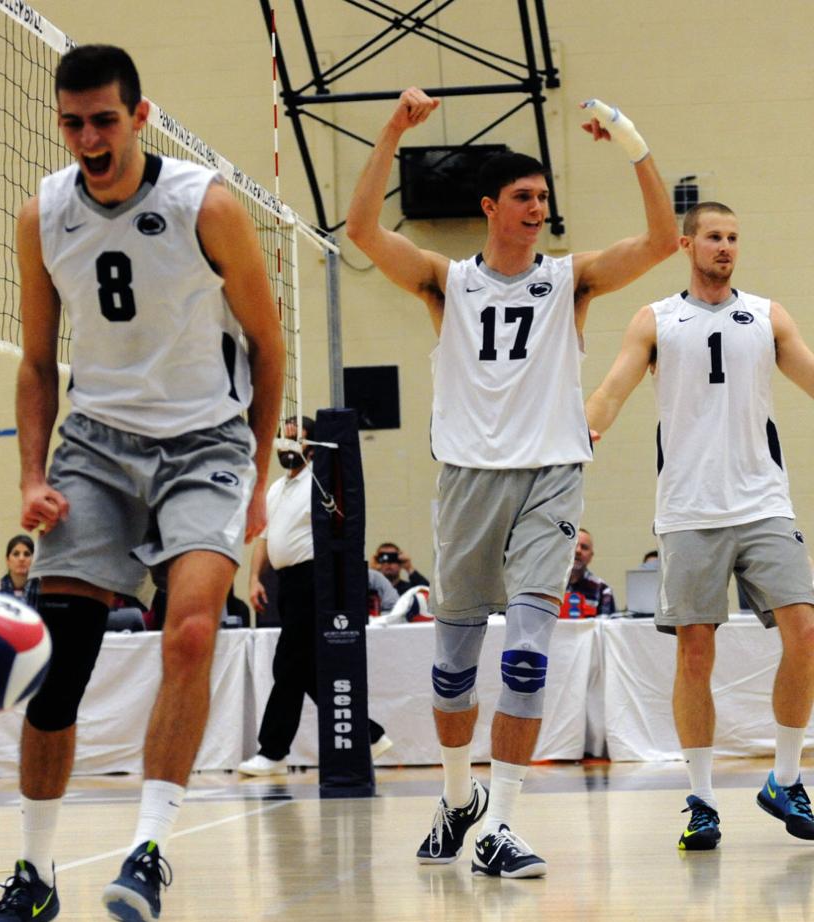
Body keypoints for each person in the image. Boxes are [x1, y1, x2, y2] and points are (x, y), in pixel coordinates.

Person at [346, 88, 676, 877]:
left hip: (550, 479)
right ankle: (458, 796)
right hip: (467, 481)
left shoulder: (573, 280)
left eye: (544, 198)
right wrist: (393, 129)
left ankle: (502, 824)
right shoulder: (444, 281)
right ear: (491, 206)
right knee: (453, 669)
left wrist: (628, 134)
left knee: (527, 656)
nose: (538, 208)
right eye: (524, 197)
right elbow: (360, 230)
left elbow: (666, 239)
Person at [0, 44, 283, 922]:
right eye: (73, 121)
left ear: (139, 116)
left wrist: (260, 476)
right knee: (59, 664)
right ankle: (34, 876)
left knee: (189, 634)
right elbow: (37, 361)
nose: (89, 138)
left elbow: (268, 350)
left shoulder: (207, 204)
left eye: (105, 121)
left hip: (206, 444)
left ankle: (148, 850)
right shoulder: (43, 214)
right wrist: (31, 475)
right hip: (97, 445)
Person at [586, 200, 814, 851]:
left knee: (806, 631)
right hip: (688, 510)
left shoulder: (768, 316)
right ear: (688, 243)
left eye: (734, 237)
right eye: (714, 236)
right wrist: (583, 430)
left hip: (765, 503)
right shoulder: (656, 319)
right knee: (695, 652)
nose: (725, 247)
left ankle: (786, 779)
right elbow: (611, 391)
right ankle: (702, 799)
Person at [238, 418, 392, 777]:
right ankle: (368, 734)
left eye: (294, 438)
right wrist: (254, 579)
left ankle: (273, 752)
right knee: (305, 670)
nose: (285, 445)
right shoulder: (276, 489)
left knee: (288, 666)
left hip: (314, 579)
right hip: (285, 583)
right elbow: (264, 538)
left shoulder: (320, 481)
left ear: (310, 445)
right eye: (283, 438)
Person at [564, 528, 616, 616]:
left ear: (591, 556)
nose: (578, 551)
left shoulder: (602, 589)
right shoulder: (547, 585)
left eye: (584, 547)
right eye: (574, 545)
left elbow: (604, 627)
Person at [0, 534, 39, 608]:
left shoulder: (43, 591)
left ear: (34, 560)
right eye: (16, 554)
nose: (21, 559)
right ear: (7, 560)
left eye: (27, 554)